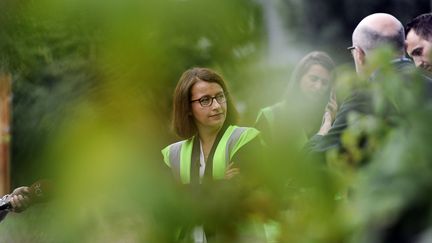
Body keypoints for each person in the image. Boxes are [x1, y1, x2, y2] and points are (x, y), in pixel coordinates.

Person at [161, 67, 262, 242]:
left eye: (220, 96)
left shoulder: (246, 138)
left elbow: (236, 200)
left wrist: (191, 189)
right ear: (188, 108)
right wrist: (218, 183)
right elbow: (168, 207)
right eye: (205, 100)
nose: (216, 106)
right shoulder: (173, 154)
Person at [305, 13, 416, 156]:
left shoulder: (364, 98)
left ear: (359, 54)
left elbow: (311, 162)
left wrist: (325, 128)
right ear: (406, 46)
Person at [255, 51, 337, 147]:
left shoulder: (331, 121)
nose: (318, 86)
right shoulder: (269, 116)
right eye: (313, 79)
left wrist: (333, 123)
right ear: (299, 78)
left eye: (324, 83)